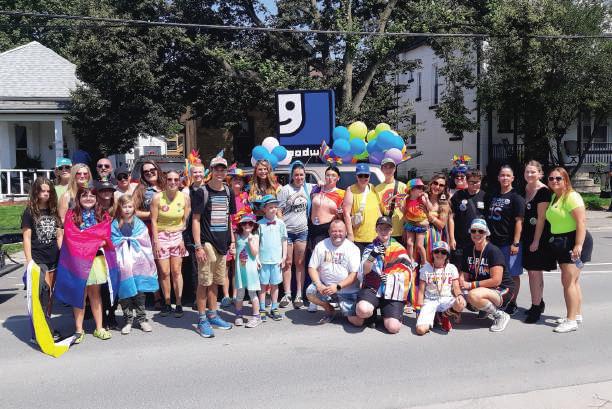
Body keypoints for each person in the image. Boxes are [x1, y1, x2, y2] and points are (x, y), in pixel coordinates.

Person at [53, 184, 120, 343]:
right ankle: (78, 330)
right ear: (78, 198)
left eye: (91, 195)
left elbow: (105, 238)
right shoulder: (71, 215)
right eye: (84, 195)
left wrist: (91, 242)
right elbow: (71, 237)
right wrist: (91, 241)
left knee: (95, 295)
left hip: (96, 261)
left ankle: (99, 328)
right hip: (78, 262)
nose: (88, 198)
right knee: (79, 294)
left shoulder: (103, 215)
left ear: (96, 198)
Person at [192, 157, 236, 338]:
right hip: (207, 243)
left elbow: (228, 218)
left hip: (222, 244)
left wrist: (232, 241)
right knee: (204, 282)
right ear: (211, 170)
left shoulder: (228, 191)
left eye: (222, 169)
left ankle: (213, 315)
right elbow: (195, 220)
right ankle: (202, 319)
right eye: (216, 169)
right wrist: (198, 246)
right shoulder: (201, 192)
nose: (220, 172)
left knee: (215, 282)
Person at [546, 167, 593, 333]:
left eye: (558, 178)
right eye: (551, 178)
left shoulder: (572, 196)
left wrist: (578, 245)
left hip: (574, 240)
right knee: (573, 281)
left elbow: (581, 222)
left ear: (566, 180)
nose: (554, 181)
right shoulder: (555, 196)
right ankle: (576, 315)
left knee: (568, 282)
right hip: (562, 241)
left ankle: (571, 320)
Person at [354, 216, 413, 334]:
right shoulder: (370, 247)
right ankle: (371, 313)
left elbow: (408, 272)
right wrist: (372, 256)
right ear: (376, 230)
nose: (383, 231)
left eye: (387, 228)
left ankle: (389, 315)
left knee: (393, 328)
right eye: (380, 228)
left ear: (391, 230)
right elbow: (364, 271)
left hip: (392, 291)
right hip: (373, 288)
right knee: (362, 310)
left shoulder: (400, 249)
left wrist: (391, 279)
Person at [21, 177, 63, 338]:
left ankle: (45, 325)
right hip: (39, 259)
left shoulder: (54, 211)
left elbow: (59, 235)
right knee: (42, 295)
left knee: (50, 295)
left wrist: (63, 255)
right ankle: (41, 331)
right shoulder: (29, 212)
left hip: (54, 259)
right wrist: (29, 261)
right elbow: (26, 238)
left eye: (48, 191)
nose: (46, 194)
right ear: (36, 192)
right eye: (42, 191)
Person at [111, 194, 159, 334]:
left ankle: (142, 319)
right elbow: (113, 241)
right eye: (124, 206)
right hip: (122, 262)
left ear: (134, 208)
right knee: (125, 291)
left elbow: (144, 239)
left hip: (138, 261)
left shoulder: (139, 223)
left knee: (139, 291)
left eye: (130, 206)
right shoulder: (115, 224)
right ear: (119, 208)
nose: (127, 209)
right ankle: (128, 320)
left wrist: (132, 241)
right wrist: (123, 242)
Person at [459, 219, 514, 332]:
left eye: (481, 231)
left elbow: (496, 280)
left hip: (501, 288)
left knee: (473, 295)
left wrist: (470, 285)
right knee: (454, 290)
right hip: (482, 287)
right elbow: (464, 273)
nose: (477, 234)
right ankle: (483, 308)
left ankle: (500, 315)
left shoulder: (493, 251)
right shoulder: (468, 249)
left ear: (486, 233)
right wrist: (460, 283)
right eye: (473, 231)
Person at [485, 165, 525, 315]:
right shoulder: (493, 195)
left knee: (512, 275)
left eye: (508, 175)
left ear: (513, 178)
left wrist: (516, 242)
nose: (505, 178)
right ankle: (497, 301)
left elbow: (519, 222)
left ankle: (512, 303)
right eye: (502, 175)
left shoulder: (516, 197)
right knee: (494, 274)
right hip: (493, 243)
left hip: (509, 243)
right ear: (498, 178)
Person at [150, 169, 190, 318]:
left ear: (179, 181)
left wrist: (182, 239)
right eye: (169, 179)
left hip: (178, 236)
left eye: (176, 180)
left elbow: (185, 221)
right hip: (161, 236)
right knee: (164, 272)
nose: (173, 182)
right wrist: (156, 241)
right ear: (165, 181)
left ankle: (178, 303)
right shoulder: (157, 197)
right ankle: (167, 302)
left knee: (177, 271)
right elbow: (153, 221)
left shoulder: (185, 198)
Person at [306, 219, 361, 325]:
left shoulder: (352, 248)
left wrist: (338, 286)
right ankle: (329, 310)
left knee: (357, 322)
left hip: (347, 291)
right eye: (334, 231)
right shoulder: (321, 245)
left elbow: (354, 274)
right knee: (310, 291)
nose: (337, 234)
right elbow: (312, 267)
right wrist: (319, 284)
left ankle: (347, 308)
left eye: (340, 231)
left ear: (346, 232)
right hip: (326, 287)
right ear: (329, 232)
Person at [522, 161, 556, 323]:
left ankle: (536, 308)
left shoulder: (543, 191)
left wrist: (536, 241)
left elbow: (541, 219)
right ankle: (539, 302)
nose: (529, 175)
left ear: (540, 174)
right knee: (532, 272)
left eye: (533, 172)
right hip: (527, 235)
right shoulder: (526, 188)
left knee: (534, 272)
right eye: (527, 172)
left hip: (539, 236)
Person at [277, 160, 314, 309]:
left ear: (305, 175)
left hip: (302, 232)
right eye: (296, 175)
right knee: (287, 263)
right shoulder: (285, 190)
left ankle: (299, 294)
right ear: (292, 176)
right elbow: (278, 210)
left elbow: (323, 188)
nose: (299, 177)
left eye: (301, 175)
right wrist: (282, 227)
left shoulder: (309, 188)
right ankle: (287, 294)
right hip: (288, 232)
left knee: (300, 263)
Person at [416, 241, 465, 335]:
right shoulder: (425, 268)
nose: (440, 254)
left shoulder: (452, 268)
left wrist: (459, 295)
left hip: (446, 299)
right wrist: (419, 309)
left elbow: (456, 287)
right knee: (420, 330)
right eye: (436, 251)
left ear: (447, 255)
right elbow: (421, 291)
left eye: (443, 252)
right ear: (432, 253)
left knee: (461, 304)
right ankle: (436, 316)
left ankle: (444, 315)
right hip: (430, 300)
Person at [257, 195, 288, 321]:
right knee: (263, 285)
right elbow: (256, 242)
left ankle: (274, 308)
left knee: (275, 285)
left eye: (275, 207)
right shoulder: (259, 224)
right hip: (263, 260)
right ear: (264, 209)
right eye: (270, 207)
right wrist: (257, 259)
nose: (273, 209)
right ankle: (262, 308)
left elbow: (284, 240)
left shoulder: (280, 223)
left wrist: (284, 257)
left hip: (276, 260)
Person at [448, 169, 486, 267]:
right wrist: (452, 238)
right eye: (471, 182)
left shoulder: (485, 196)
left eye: (477, 182)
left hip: (479, 239)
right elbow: (451, 218)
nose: (474, 184)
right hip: (460, 240)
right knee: (458, 267)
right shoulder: (458, 195)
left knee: (476, 268)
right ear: (467, 181)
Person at [343, 163, 381, 253]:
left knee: (374, 261)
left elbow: (378, 211)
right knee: (360, 262)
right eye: (360, 176)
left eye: (366, 176)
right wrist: (350, 234)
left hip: (376, 237)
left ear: (369, 176)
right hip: (359, 239)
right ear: (356, 176)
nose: (363, 178)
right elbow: (346, 213)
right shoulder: (351, 190)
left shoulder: (373, 188)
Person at [233, 213, 262, 328]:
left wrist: (250, 241)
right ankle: (238, 315)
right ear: (241, 225)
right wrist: (233, 250)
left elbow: (254, 253)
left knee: (252, 293)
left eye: (250, 223)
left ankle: (256, 316)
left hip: (250, 269)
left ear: (253, 225)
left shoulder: (255, 237)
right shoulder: (237, 236)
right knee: (239, 293)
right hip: (240, 268)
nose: (247, 225)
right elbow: (235, 248)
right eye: (244, 223)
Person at [308, 165, 345, 250]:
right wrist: (318, 185)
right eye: (328, 175)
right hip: (313, 228)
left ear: (338, 178)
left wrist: (340, 214)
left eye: (333, 175)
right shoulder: (317, 188)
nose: (330, 178)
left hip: (327, 229)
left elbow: (342, 216)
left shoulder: (342, 193)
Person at [374, 158, 407, 243]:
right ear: (381, 169)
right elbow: (378, 211)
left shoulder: (403, 186)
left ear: (395, 169)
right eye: (385, 167)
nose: (388, 170)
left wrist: (406, 228)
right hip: (385, 232)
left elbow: (408, 209)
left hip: (401, 230)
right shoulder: (377, 189)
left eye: (391, 167)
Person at [423, 174, 450, 263]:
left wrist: (428, 214)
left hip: (435, 238)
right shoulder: (422, 197)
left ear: (444, 188)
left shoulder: (444, 203)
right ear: (431, 184)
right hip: (418, 234)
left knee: (432, 263)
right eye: (435, 183)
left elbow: (441, 225)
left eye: (441, 185)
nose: (437, 187)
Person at [403, 178, 429, 265]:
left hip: (421, 223)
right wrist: (401, 208)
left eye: (422, 188)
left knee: (419, 245)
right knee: (409, 243)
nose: (421, 190)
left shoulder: (422, 199)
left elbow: (430, 208)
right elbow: (404, 211)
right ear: (411, 190)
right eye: (419, 187)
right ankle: (410, 260)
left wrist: (427, 199)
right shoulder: (407, 199)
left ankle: (424, 262)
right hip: (410, 222)